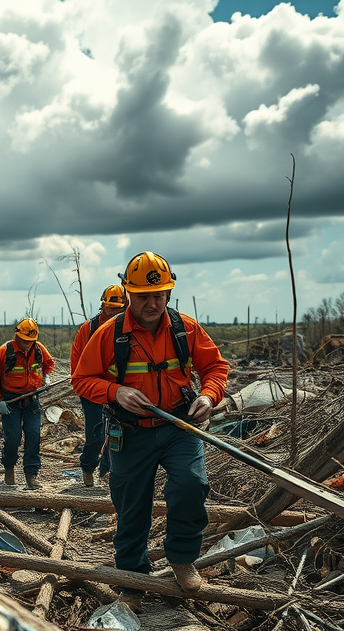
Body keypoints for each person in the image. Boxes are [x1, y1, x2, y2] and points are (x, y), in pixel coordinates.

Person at [71, 252, 229, 610]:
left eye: (159, 295)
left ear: (169, 293)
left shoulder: (185, 329)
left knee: (191, 484)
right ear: (129, 294)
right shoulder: (109, 335)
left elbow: (216, 367)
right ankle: (132, 578)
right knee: (130, 505)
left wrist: (208, 394)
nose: (152, 303)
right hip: (131, 432)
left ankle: (182, 559)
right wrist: (116, 392)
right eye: (143, 295)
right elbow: (82, 380)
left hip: (179, 426)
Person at [69, 285, 126, 486]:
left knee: (116, 435)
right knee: (96, 435)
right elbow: (76, 362)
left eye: (119, 309)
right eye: (111, 308)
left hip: (119, 392)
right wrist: (82, 385)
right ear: (103, 306)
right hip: (92, 390)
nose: (114, 312)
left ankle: (106, 472)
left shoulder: (128, 328)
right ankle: (87, 467)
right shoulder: (89, 329)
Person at [0, 318, 55, 490]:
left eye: (31, 341)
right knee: (13, 438)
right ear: (17, 336)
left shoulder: (38, 349)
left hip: (31, 400)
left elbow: (49, 363)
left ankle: (31, 475)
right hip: (10, 401)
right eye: (25, 341)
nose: (27, 345)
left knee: (33, 436)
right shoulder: (5, 351)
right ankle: (9, 467)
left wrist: (46, 377)